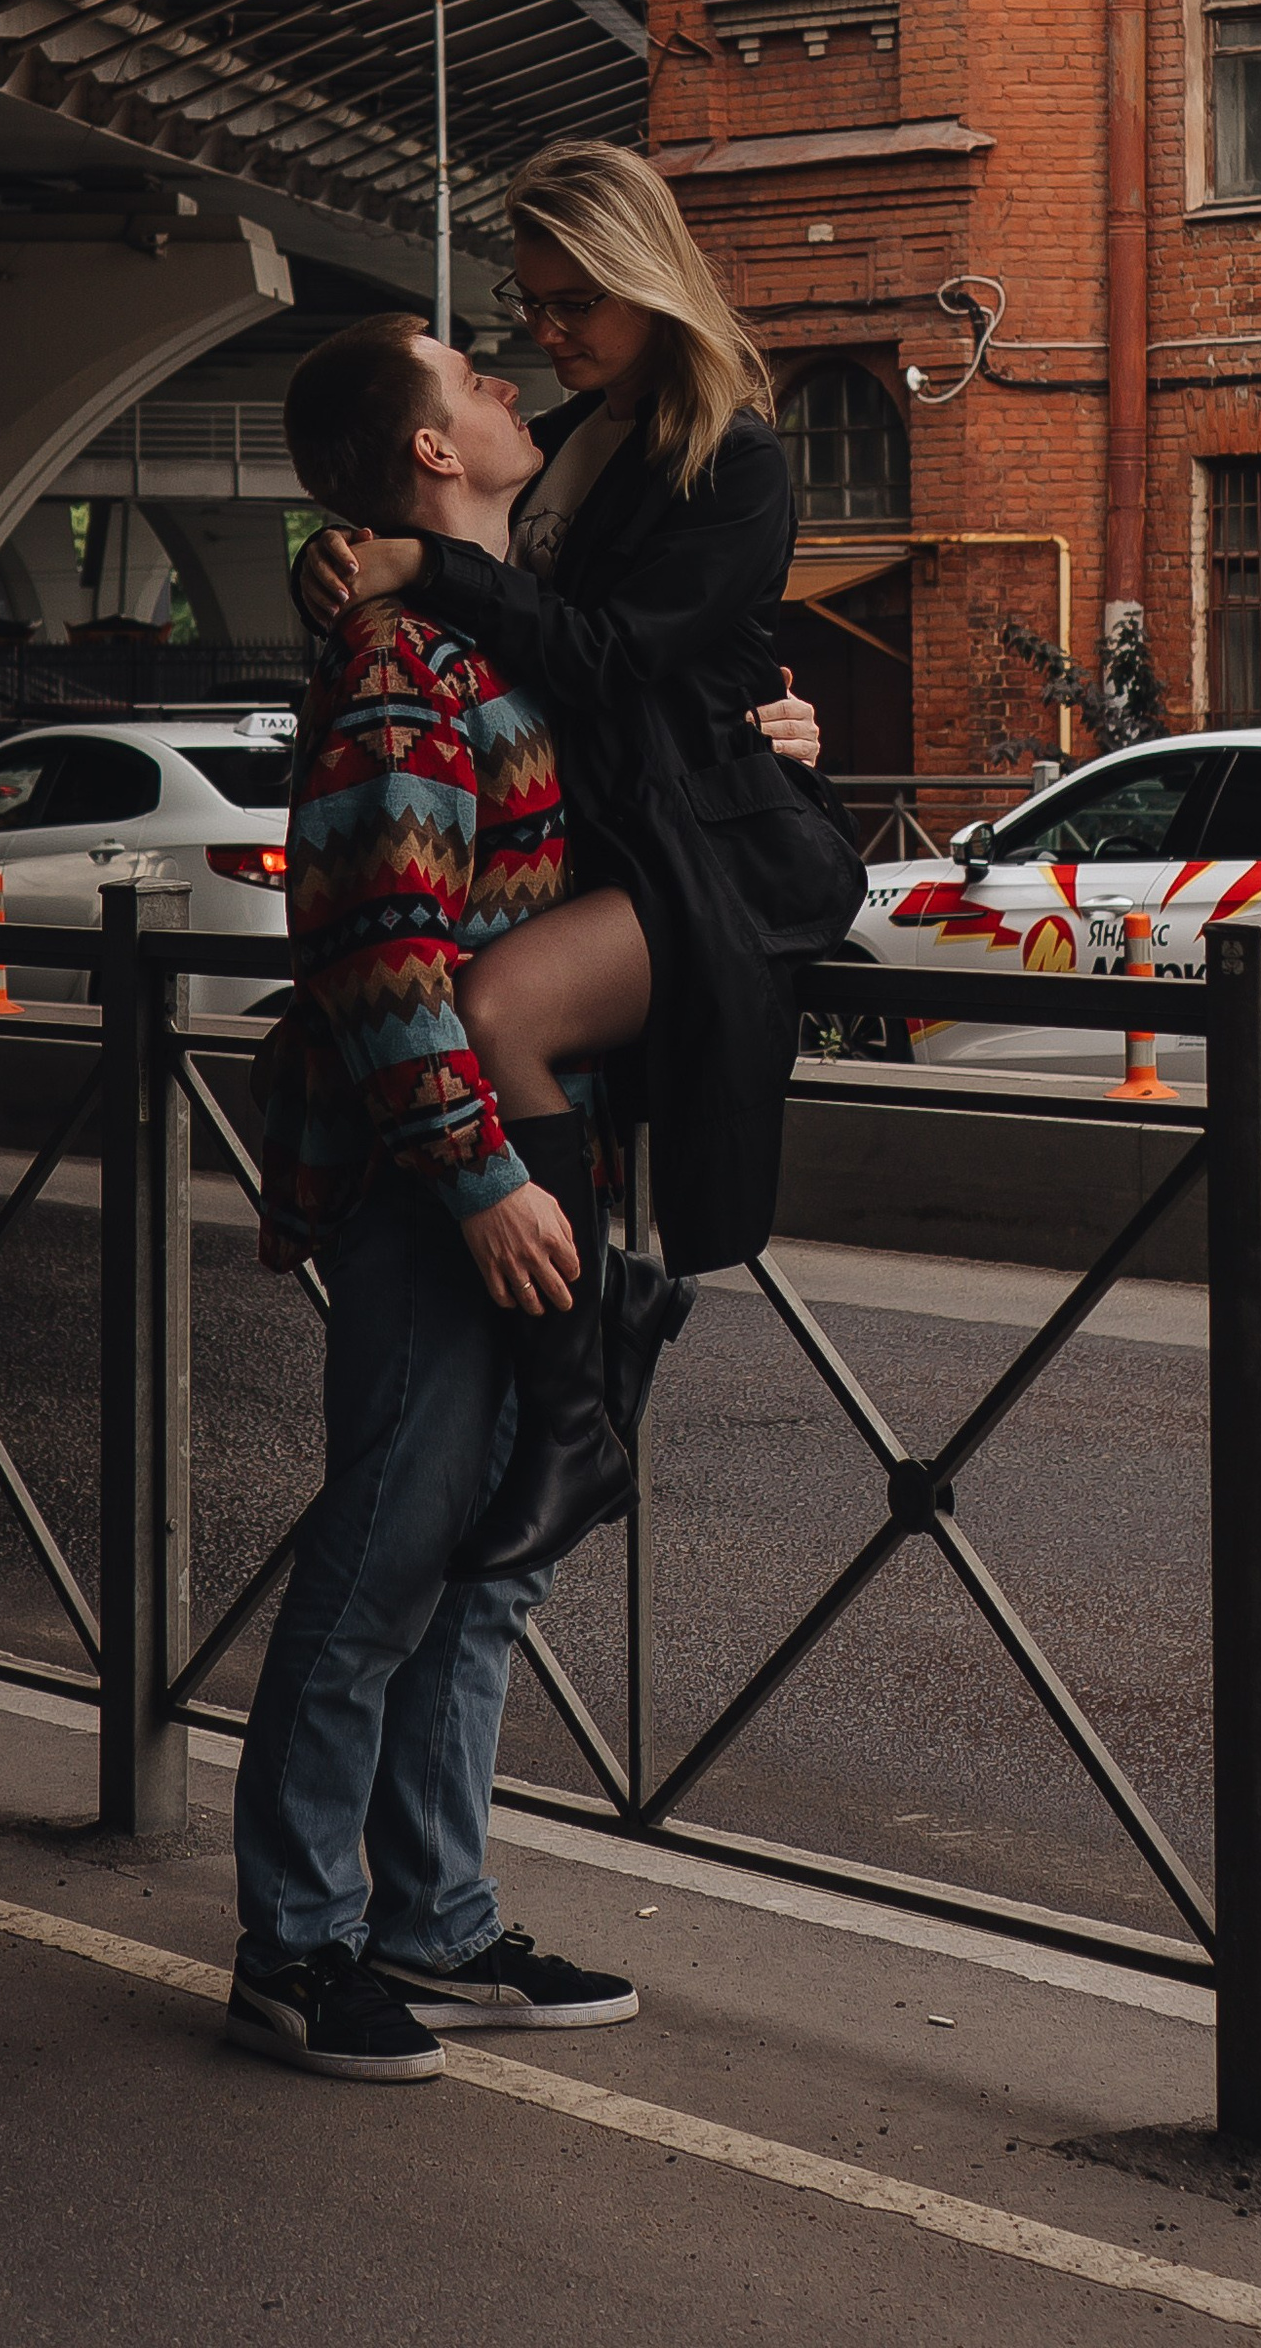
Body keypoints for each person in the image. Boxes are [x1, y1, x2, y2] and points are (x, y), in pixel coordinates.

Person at [296, 140, 866, 1579]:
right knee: (492, 1014)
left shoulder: (732, 456)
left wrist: (423, 566)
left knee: (498, 1010)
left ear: (643, 280)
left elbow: (611, 656)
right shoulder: (572, 434)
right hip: (616, 838)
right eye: (529, 304)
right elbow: (466, 567)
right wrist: (347, 564)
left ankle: (578, 1413)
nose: (544, 336)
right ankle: (593, 1362)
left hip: (715, 847)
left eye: (572, 304)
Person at [228, 308, 638, 2086]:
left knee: (477, 1566)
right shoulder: (402, 667)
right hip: (443, 1181)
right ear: (427, 452)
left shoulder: (486, 630)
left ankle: (434, 1921)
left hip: (518, 1160)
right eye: (470, 376)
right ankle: (296, 1947)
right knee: (386, 1557)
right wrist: (479, 1182)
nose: (505, 384)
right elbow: (383, 956)